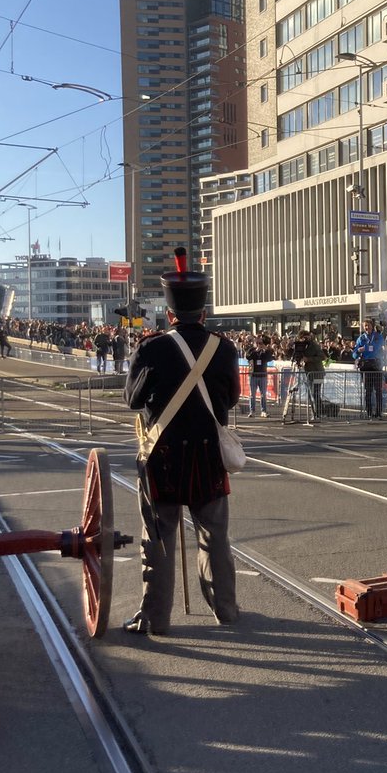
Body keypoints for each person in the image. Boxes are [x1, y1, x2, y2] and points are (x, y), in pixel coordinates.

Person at [123, 248, 241, 635]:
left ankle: (156, 618)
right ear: (203, 312)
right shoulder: (223, 349)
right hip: (209, 459)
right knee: (216, 540)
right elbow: (233, 399)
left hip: (164, 460)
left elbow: (133, 400)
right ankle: (226, 610)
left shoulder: (151, 347)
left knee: (157, 542)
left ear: (169, 314)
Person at [353, 317, 386, 419]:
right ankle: (369, 412)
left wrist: (365, 348)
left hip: (376, 365)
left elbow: (375, 348)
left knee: (378, 390)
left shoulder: (378, 336)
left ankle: (379, 412)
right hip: (366, 366)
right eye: (365, 326)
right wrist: (358, 351)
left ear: (372, 326)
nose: (367, 328)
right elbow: (354, 354)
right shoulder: (361, 338)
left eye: (368, 325)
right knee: (368, 390)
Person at [245, 334, 274, 418]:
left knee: (263, 394)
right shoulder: (252, 350)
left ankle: (263, 411)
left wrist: (265, 350)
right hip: (253, 375)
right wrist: (256, 351)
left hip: (263, 375)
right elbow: (248, 357)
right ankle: (252, 411)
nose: (259, 345)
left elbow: (270, 358)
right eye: (258, 343)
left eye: (261, 343)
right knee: (252, 394)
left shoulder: (265, 351)